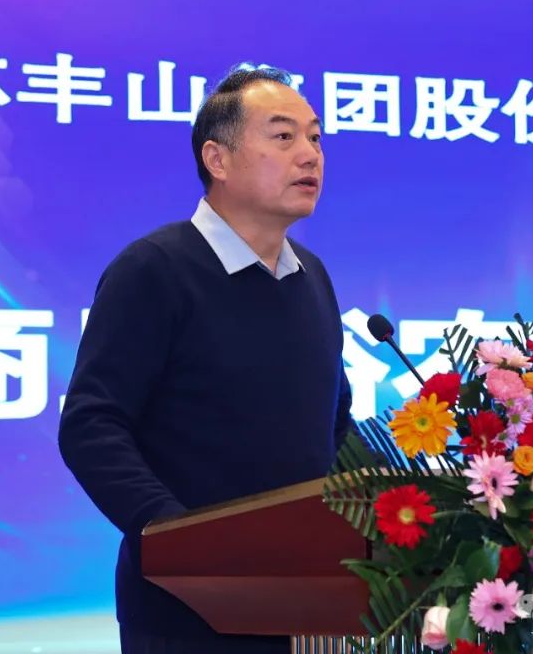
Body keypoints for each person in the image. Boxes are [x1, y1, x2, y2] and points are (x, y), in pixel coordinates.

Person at [58, 65, 354, 653]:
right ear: (217, 159)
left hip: (301, 602)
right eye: (283, 136)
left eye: (315, 138)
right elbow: (92, 425)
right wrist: (179, 540)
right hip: (185, 611)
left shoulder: (312, 277)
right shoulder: (154, 269)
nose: (310, 155)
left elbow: (332, 423)